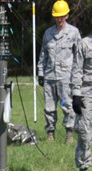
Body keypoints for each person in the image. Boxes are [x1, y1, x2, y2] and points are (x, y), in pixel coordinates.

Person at [37, 0, 81, 143]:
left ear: (67, 15)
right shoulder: (48, 33)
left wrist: (77, 76)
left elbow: (79, 57)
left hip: (65, 78)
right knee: (49, 108)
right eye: (57, 16)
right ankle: (50, 134)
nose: (59, 19)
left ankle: (69, 134)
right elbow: (43, 55)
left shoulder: (74, 33)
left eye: (62, 16)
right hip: (50, 76)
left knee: (67, 107)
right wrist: (40, 73)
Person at [71, 33, 92, 171]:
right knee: (85, 131)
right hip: (87, 91)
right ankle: (83, 169)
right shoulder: (83, 44)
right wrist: (76, 94)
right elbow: (77, 70)